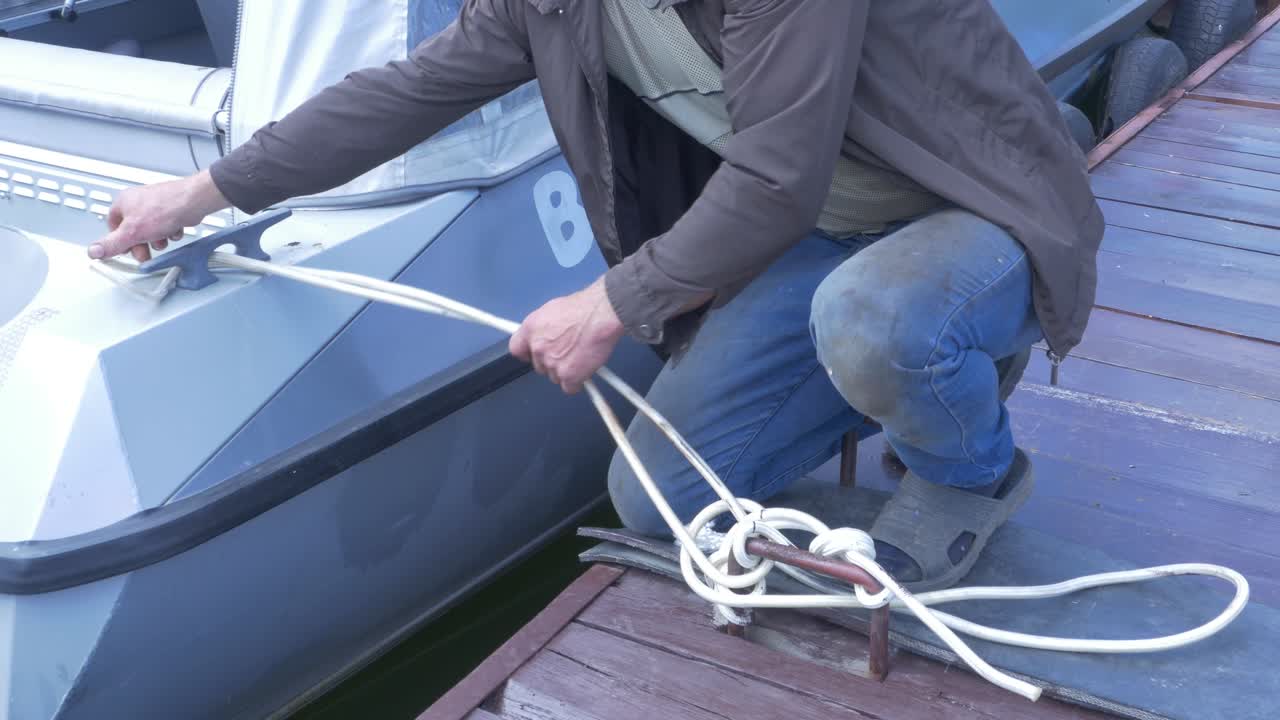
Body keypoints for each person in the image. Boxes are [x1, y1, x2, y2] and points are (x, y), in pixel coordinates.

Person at [89, 0, 1103, 592]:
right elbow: (403, 94)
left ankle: (970, 469)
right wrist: (206, 190)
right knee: (658, 501)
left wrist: (611, 302)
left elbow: (774, 179)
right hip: (824, 235)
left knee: (879, 320)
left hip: (979, 207)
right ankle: (918, 364)